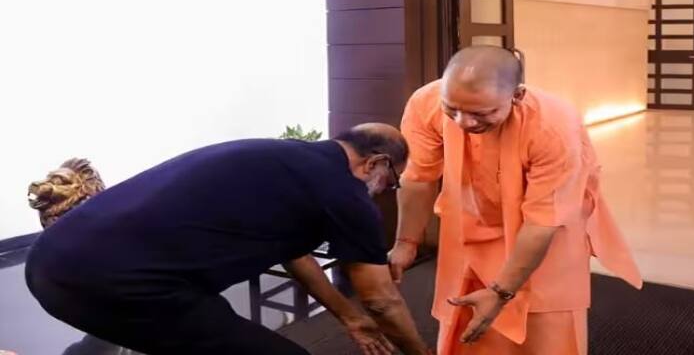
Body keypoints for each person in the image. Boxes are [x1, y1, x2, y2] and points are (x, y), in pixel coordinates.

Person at [25, 123, 431, 355]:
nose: (385, 190)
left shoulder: (286, 159)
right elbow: (381, 299)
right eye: (392, 181)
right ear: (375, 163)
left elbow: (296, 254)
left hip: (49, 262)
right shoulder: (345, 192)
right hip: (122, 284)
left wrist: (349, 317)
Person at [389, 46, 642, 354]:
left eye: (481, 113)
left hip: (548, 230)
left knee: (545, 318)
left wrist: (500, 292)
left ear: (517, 95)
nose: (463, 122)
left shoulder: (553, 128)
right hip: (472, 221)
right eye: (451, 109)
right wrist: (406, 242)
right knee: (466, 311)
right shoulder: (425, 102)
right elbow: (418, 177)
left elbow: (542, 222)